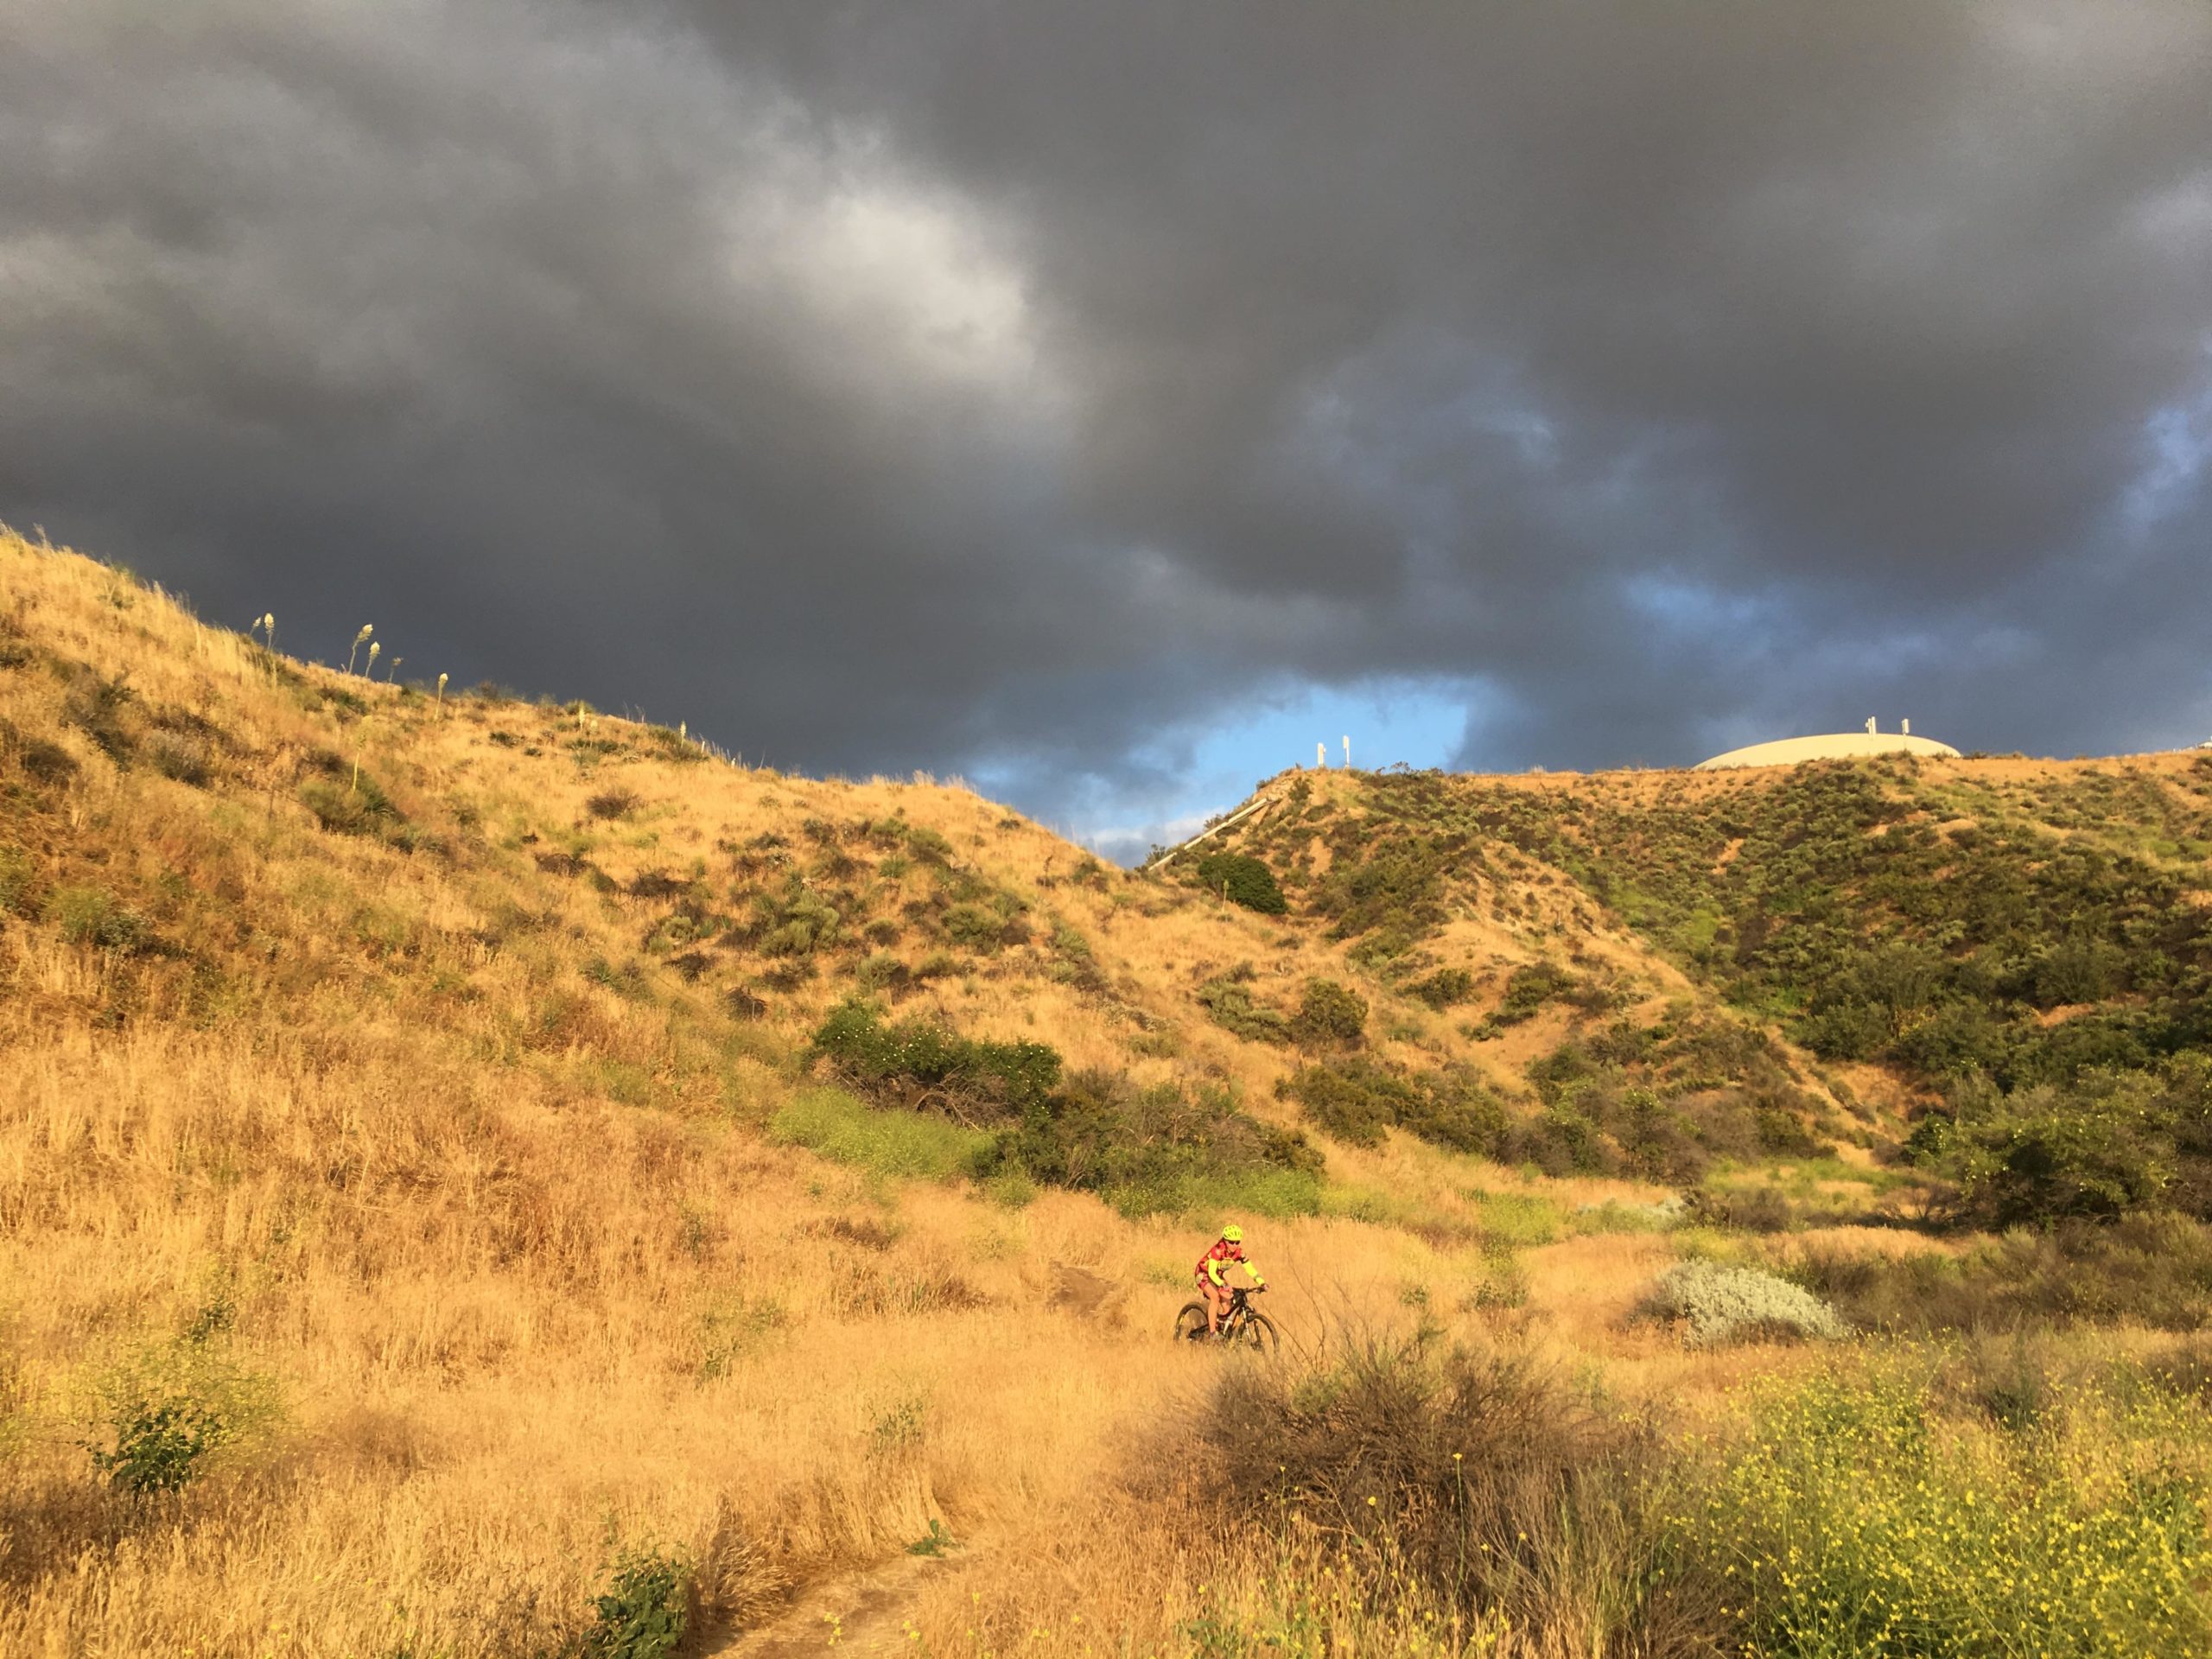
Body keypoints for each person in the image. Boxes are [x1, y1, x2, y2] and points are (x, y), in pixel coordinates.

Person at [1193, 1224, 1265, 1337]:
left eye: (1237, 1242)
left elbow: (1249, 1268)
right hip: (1204, 1274)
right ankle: (1213, 1333)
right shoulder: (1217, 1250)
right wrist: (1223, 1285)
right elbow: (1211, 1273)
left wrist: (1261, 1282)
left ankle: (1225, 1330)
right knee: (1215, 1297)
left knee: (1228, 1301)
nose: (1234, 1245)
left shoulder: (1239, 1253)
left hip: (1218, 1276)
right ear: (1225, 1241)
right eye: (1231, 1242)